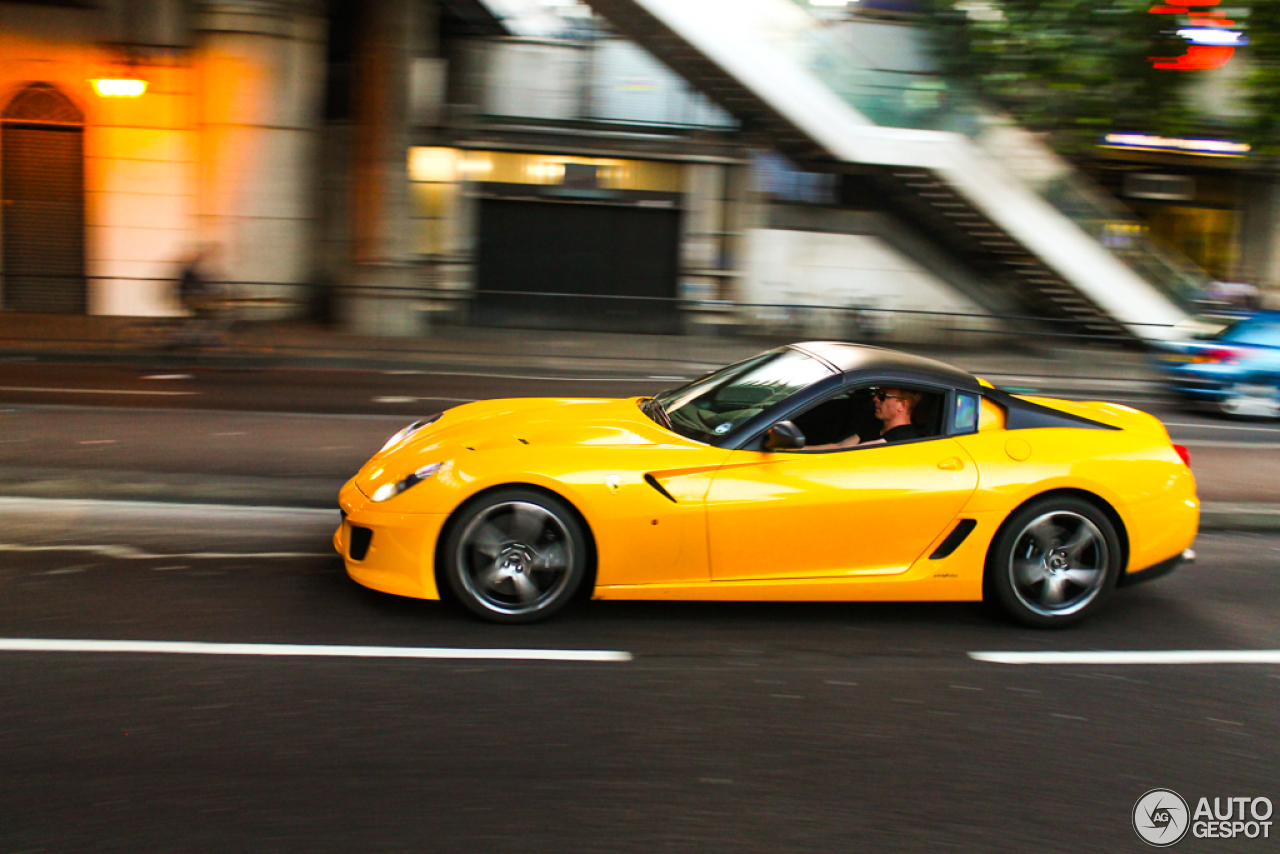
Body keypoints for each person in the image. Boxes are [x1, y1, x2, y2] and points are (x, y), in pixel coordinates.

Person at [808, 387, 925, 450]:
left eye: (882, 396)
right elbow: (840, 447)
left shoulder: (903, 439)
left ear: (902, 405)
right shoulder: (875, 426)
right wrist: (799, 450)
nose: (875, 399)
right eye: (877, 393)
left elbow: (850, 452)